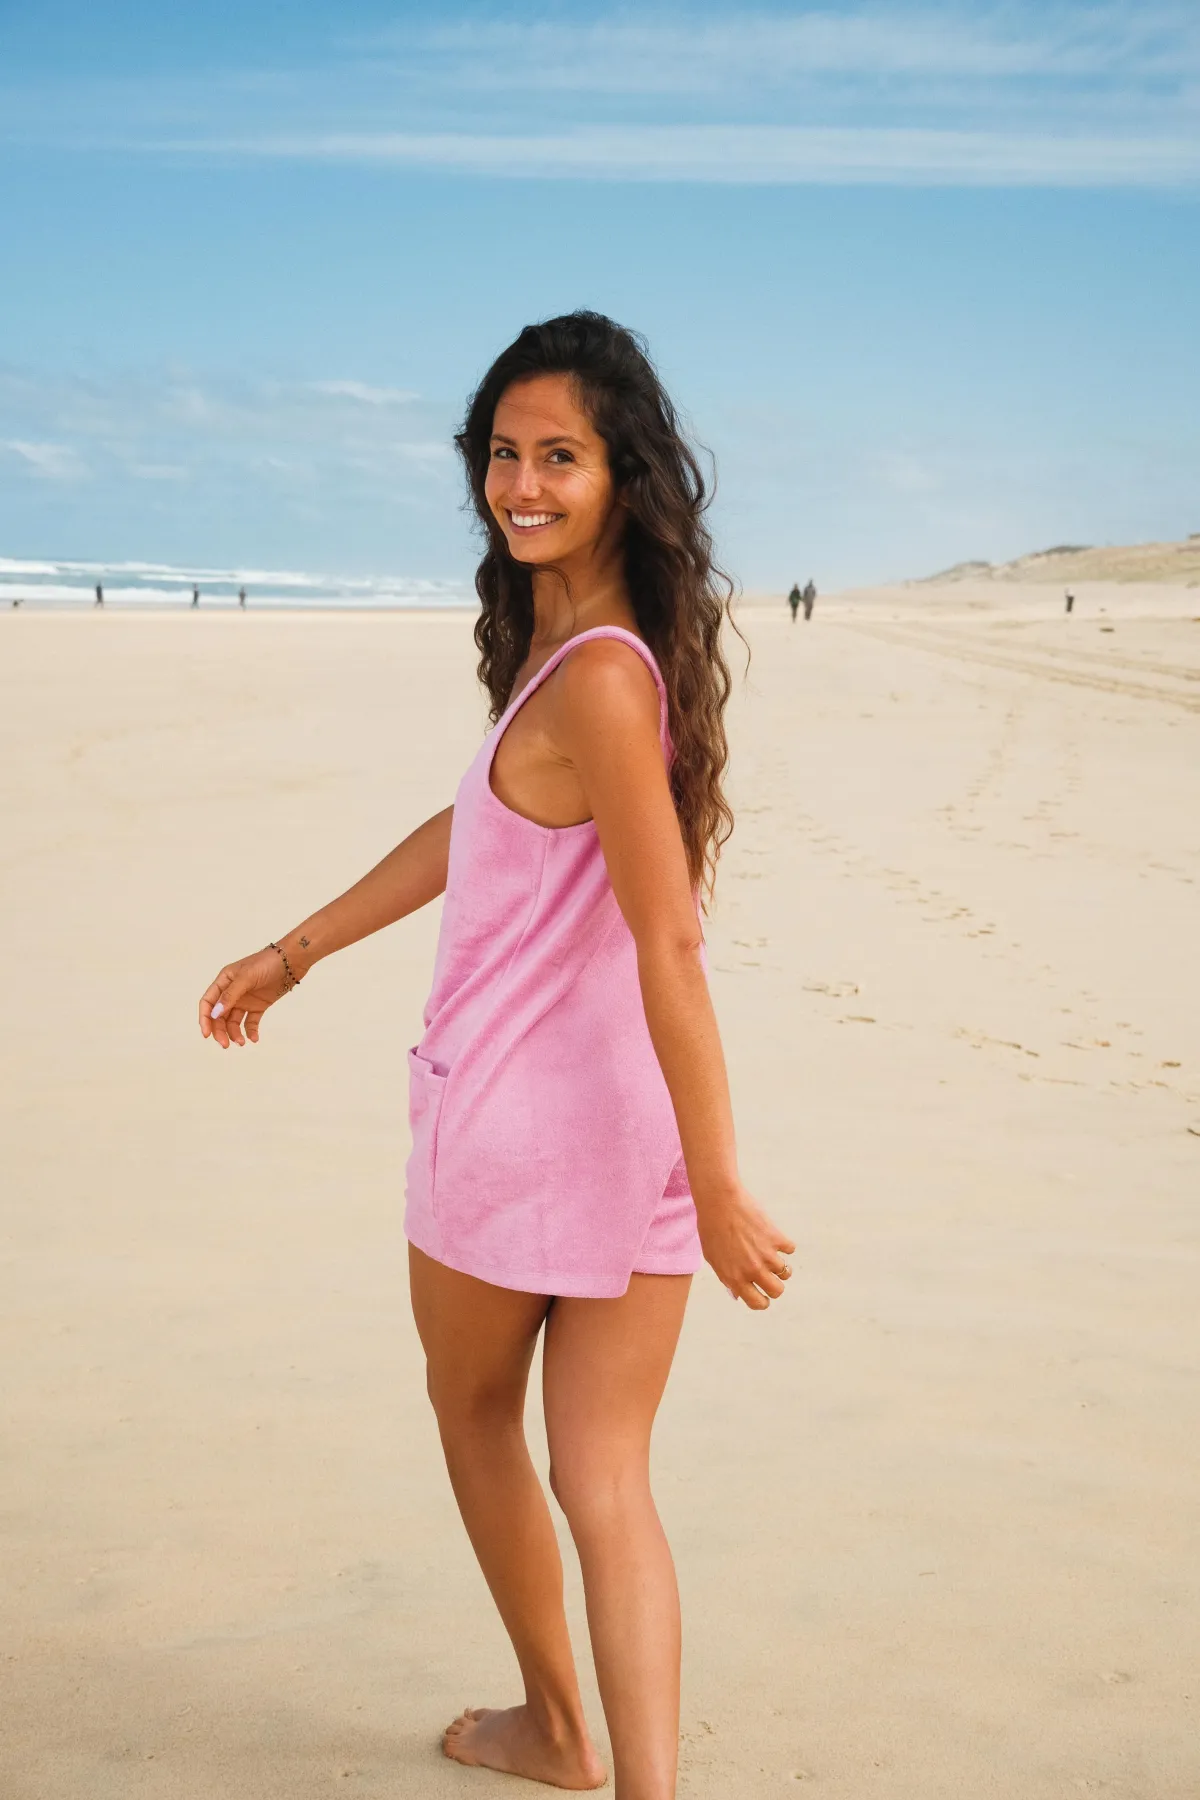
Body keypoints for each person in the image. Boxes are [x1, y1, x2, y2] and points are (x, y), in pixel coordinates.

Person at [197, 312, 793, 1799]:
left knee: (475, 1421)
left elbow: (669, 943)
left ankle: (559, 1729)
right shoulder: (597, 645)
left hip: (515, 1131)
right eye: (504, 454)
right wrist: (299, 948)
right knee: (608, 1480)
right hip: (629, 1132)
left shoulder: (595, 672)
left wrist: (727, 1185)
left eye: (559, 457)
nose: (522, 485)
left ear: (623, 474)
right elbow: (480, 826)